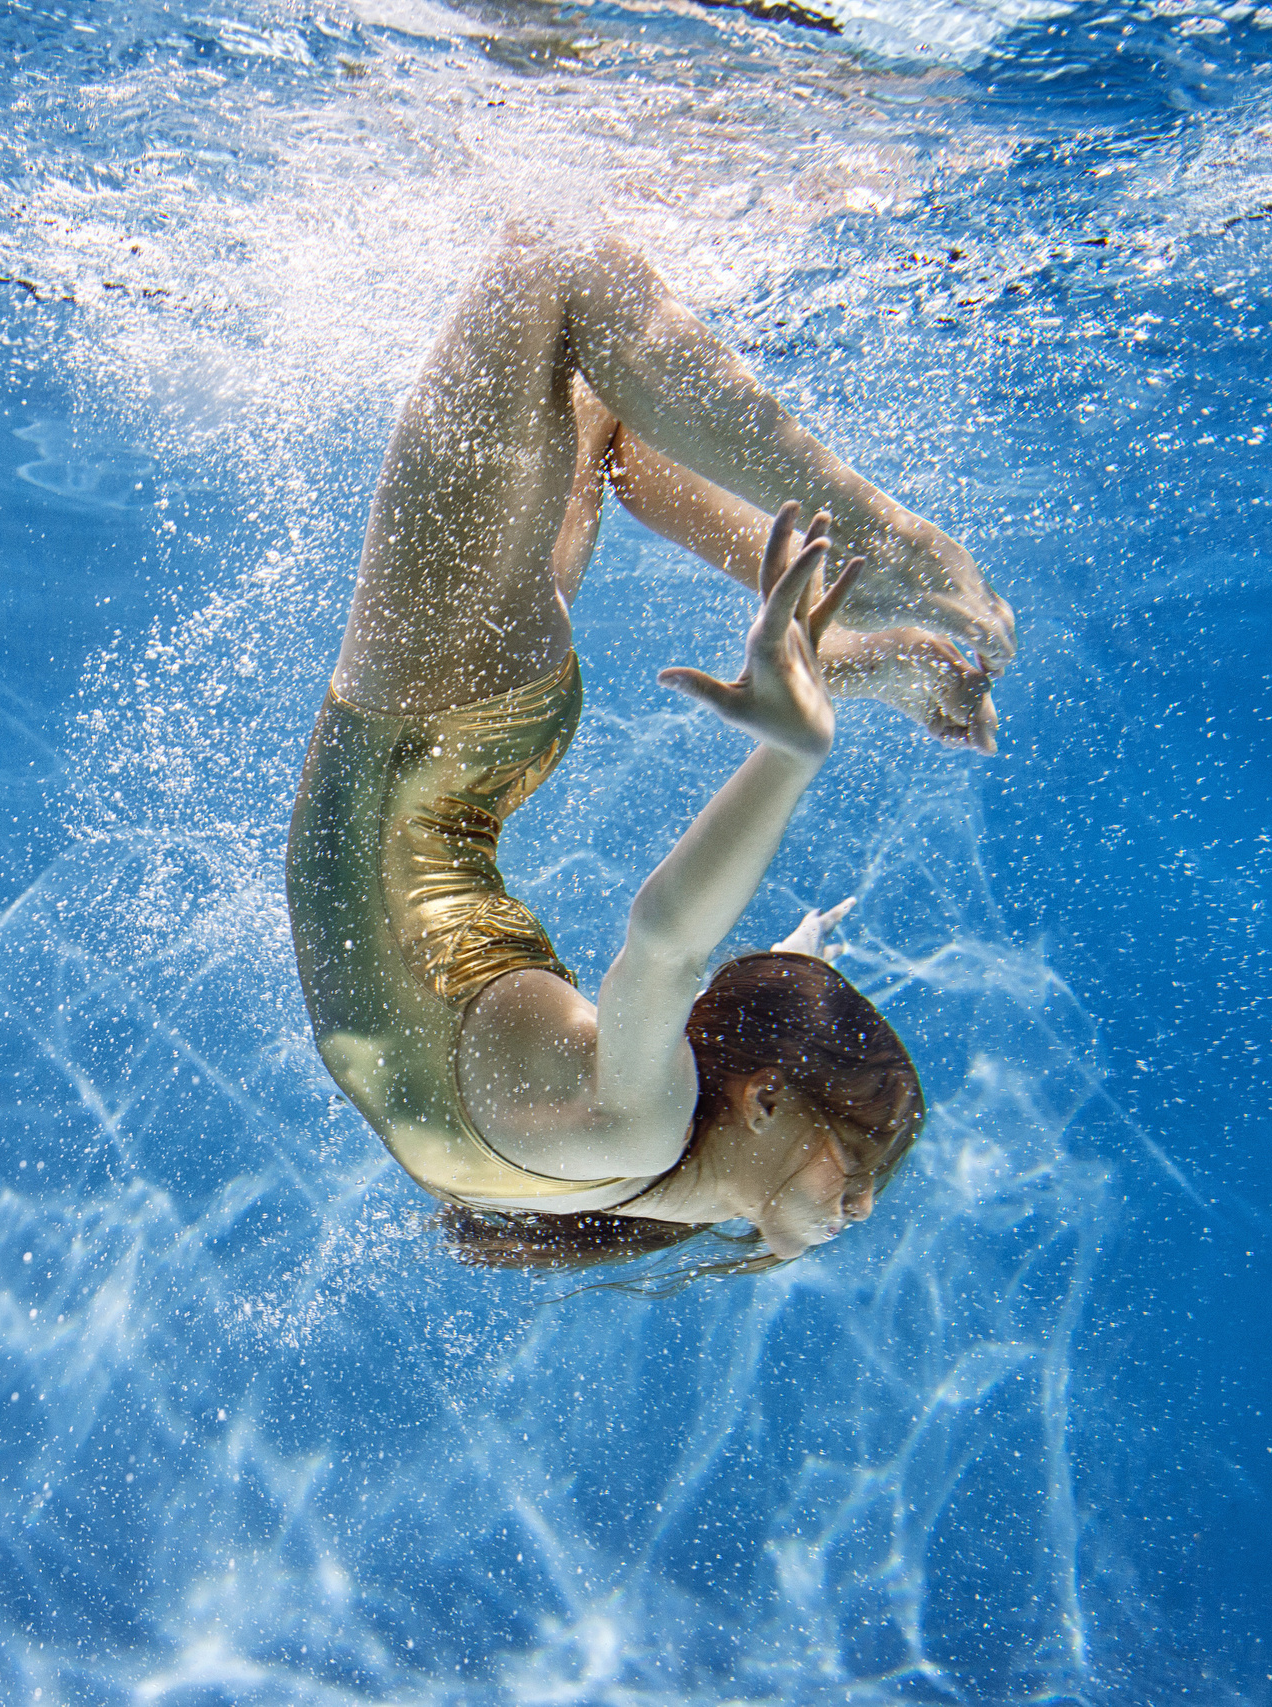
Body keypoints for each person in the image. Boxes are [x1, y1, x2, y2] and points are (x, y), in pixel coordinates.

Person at [285, 224, 1015, 1278]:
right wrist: (782, 979)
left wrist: (788, 758)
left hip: (432, 738)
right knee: (598, 390)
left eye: (860, 1163)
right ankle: (836, 649)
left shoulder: (639, 1133)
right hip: (437, 755)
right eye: (861, 1162)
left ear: (762, 1094)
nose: (860, 1201)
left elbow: (666, 948)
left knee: (555, 277)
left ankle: (884, 557)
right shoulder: (650, 1174)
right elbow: (682, 991)